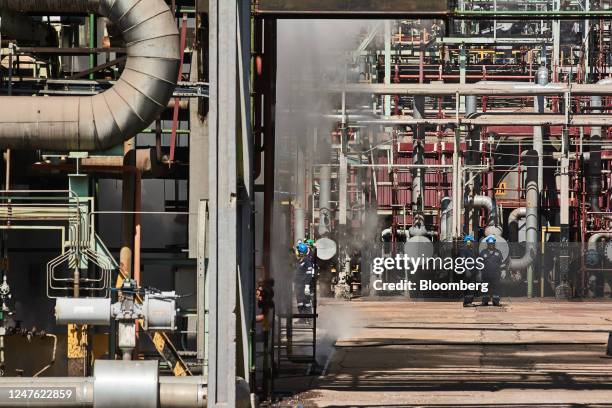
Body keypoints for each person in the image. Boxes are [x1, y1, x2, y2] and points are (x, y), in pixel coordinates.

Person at [479, 235, 505, 306]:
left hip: (496, 274)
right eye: (489, 244)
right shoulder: (483, 253)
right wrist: (479, 273)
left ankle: (496, 301)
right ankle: (485, 301)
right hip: (485, 274)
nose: (491, 245)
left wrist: (503, 271)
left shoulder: (498, 252)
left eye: (492, 244)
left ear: (494, 244)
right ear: (487, 244)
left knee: (496, 288)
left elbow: (501, 263)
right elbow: (479, 264)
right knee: (485, 288)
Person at [294, 241, 315, 317]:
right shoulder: (300, 261)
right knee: (300, 302)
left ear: (301, 252)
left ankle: (309, 319)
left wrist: (307, 286)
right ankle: (302, 318)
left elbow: (309, 275)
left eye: (298, 250)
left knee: (306, 302)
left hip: (304, 286)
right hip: (298, 286)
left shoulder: (307, 261)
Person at [460, 235, 477, 306]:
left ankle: (469, 301)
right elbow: (463, 261)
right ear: (468, 242)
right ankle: (467, 302)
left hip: (472, 271)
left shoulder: (471, 250)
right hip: (467, 272)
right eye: (472, 242)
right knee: (468, 287)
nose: (473, 243)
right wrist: (467, 270)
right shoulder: (464, 250)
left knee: (471, 287)